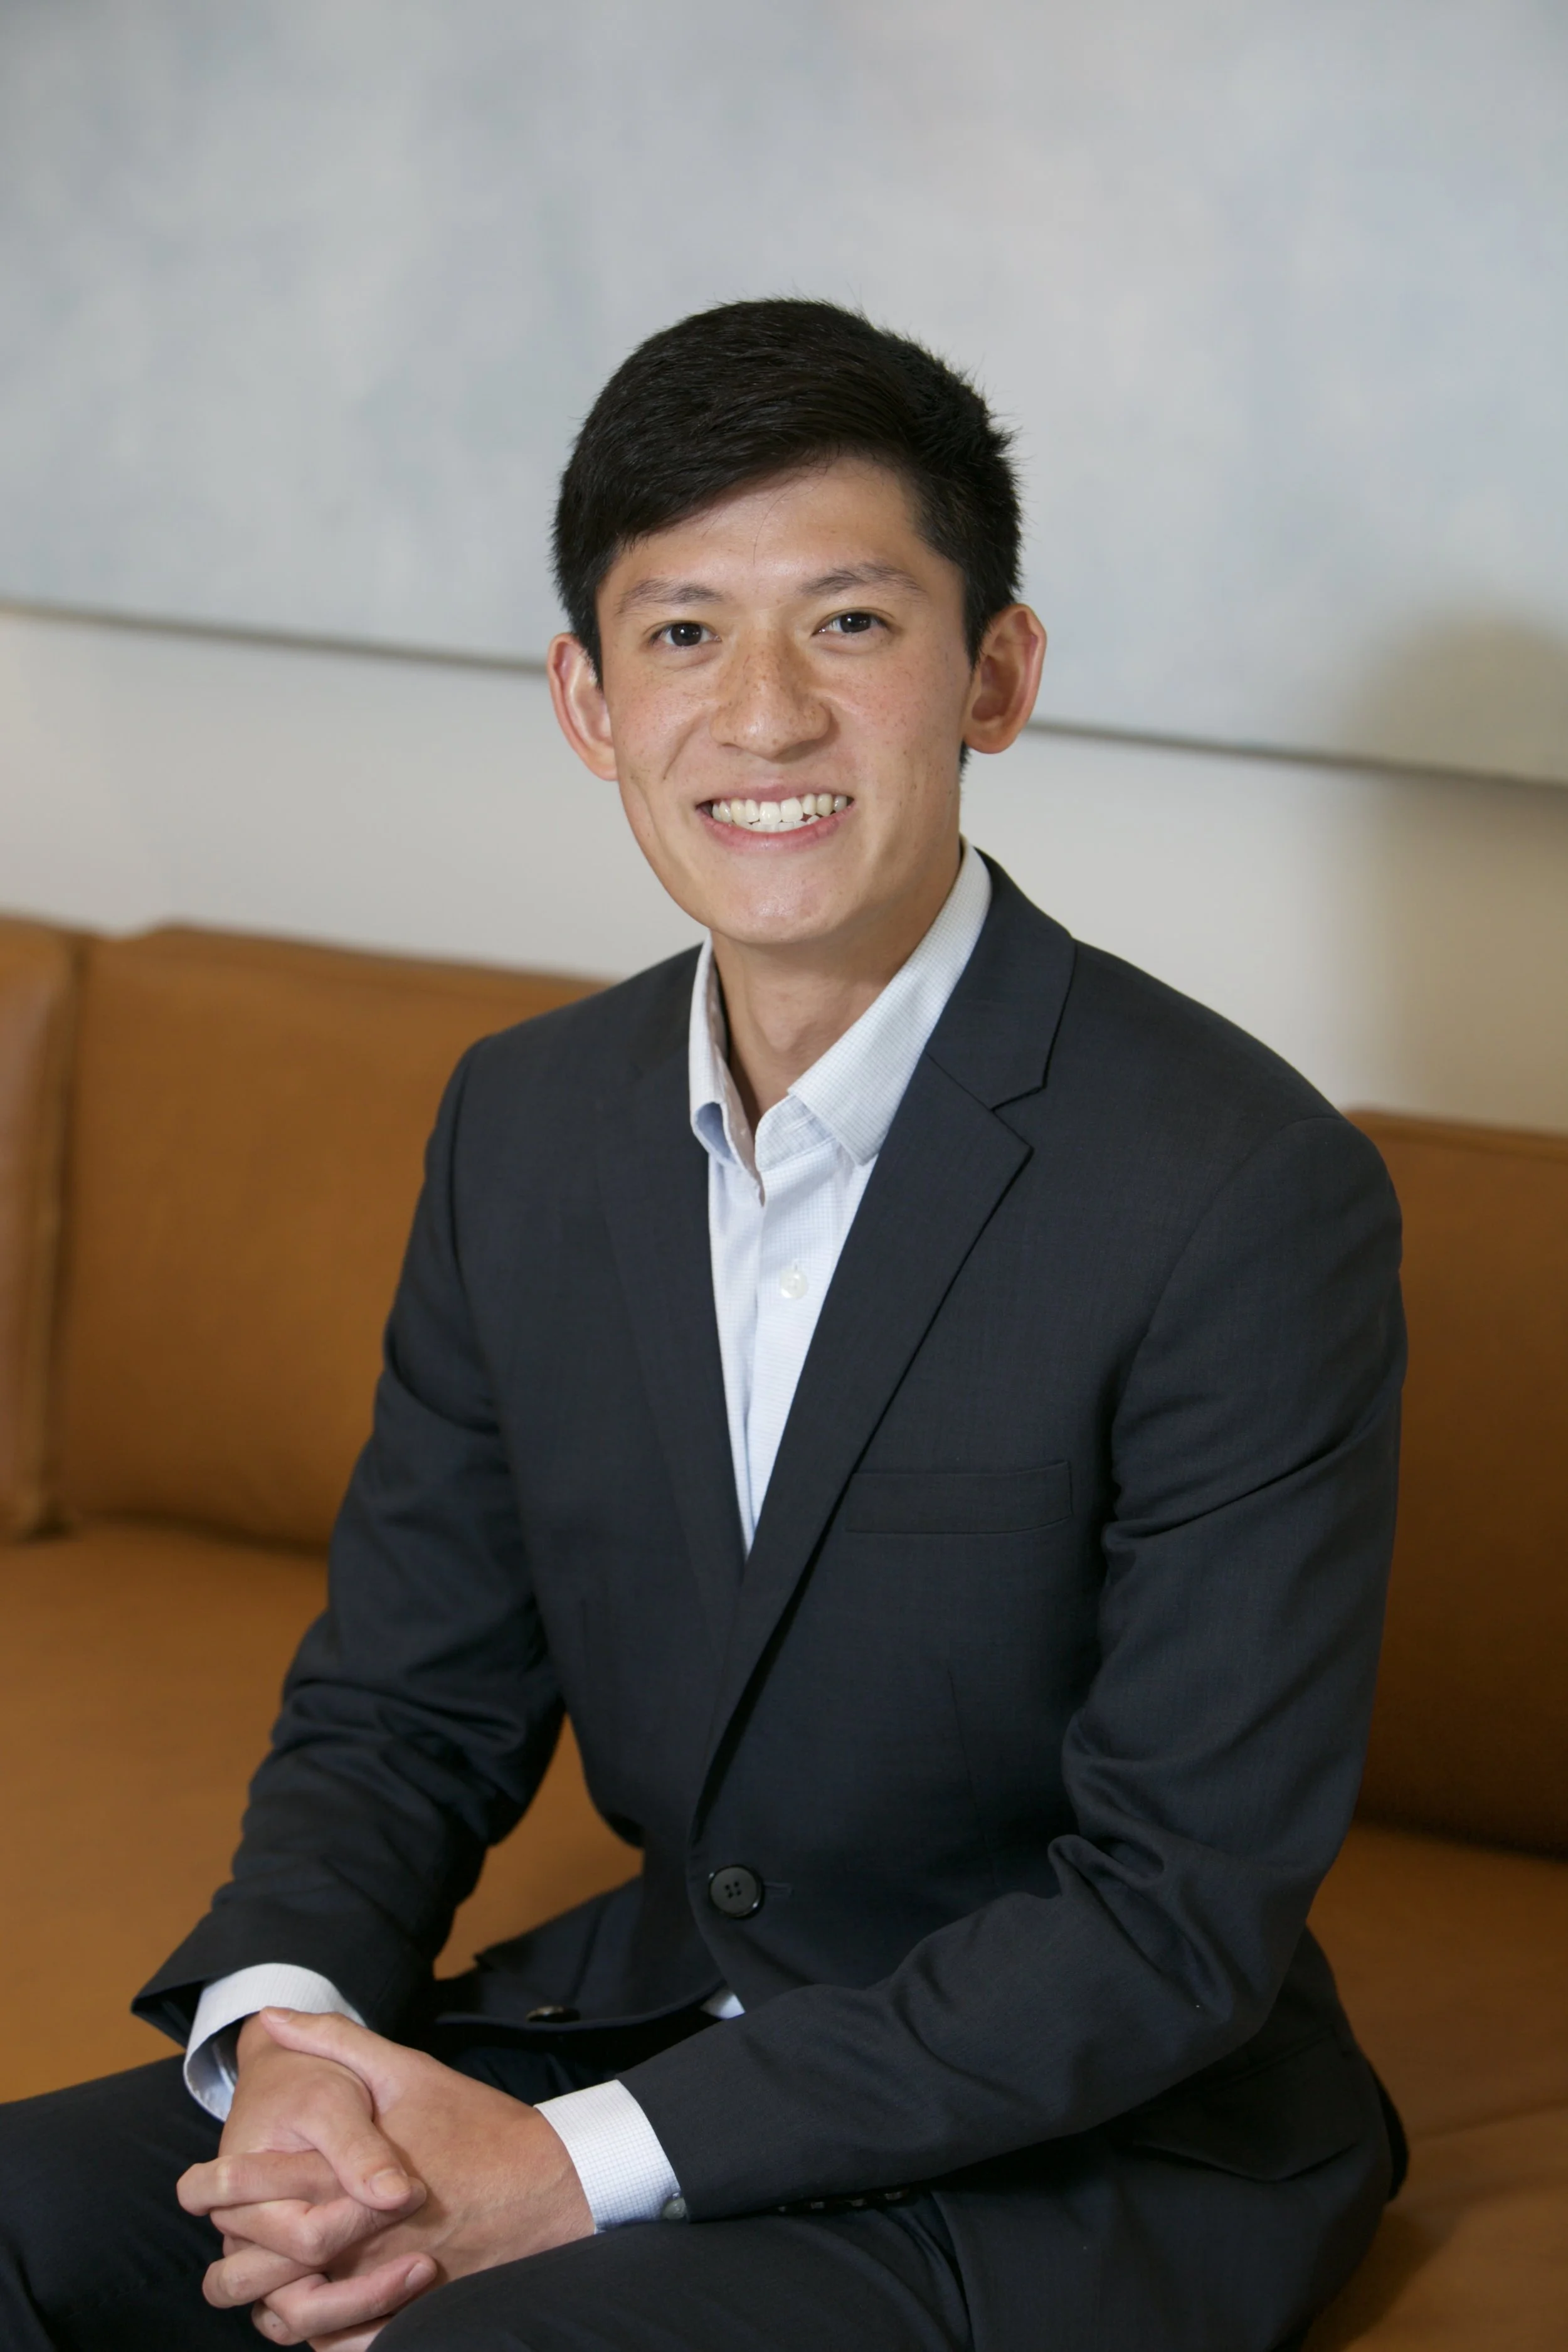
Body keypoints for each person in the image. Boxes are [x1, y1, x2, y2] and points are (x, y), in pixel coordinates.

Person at [0, 298, 1406, 2352]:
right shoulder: (526, 1122)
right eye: (681, 633)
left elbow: (1167, 1913)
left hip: (1090, 2137)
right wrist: (289, 2034)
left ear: (994, 674)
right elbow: (404, 1703)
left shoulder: (1240, 1187)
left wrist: (560, 2171)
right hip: (655, 2017)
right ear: (587, 700)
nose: (761, 716)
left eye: (849, 623)